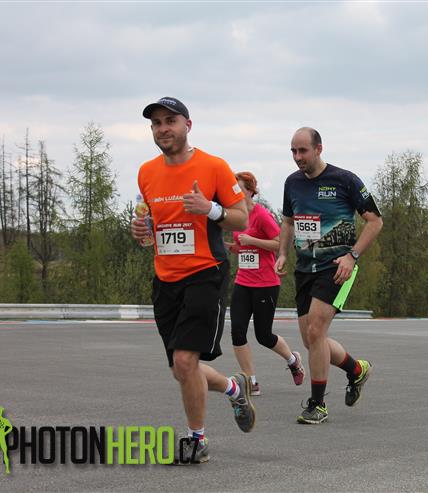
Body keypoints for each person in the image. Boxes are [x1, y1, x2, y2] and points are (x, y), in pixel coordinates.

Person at [131, 97, 256, 463]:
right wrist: (142, 229)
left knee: (186, 361)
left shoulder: (213, 166)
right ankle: (233, 388)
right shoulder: (146, 172)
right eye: (156, 123)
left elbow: (242, 218)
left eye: (170, 121)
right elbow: (151, 221)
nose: (163, 129)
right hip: (165, 279)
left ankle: (196, 440)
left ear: (188, 125)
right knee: (181, 368)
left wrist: (211, 209)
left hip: (205, 273)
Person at [275, 127, 383, 424]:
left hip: (336, 267)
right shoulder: (292, 182)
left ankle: (317, 404)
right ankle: (356, 370)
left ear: (319, 149)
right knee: (312, 340)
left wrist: (352, 256)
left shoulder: (345, 180)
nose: (298, 157)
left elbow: (375, 221)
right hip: (304, 269)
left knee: (315, 332)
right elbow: (288, 222)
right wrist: (282, 253)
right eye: (293, 151)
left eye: (303, 151)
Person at [225, 171, 305, 396]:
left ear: (250, 191)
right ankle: (251, 381)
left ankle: (293, 360)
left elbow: (279, 243)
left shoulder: (261, 215)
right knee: (237, 331)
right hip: (243, 281)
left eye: (239, 188)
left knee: (263, 336)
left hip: (265, 283)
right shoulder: (237, 216)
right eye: (233, 189)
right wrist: (229, 247)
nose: (235, 192)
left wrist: (252, 240)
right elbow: (242, 248)